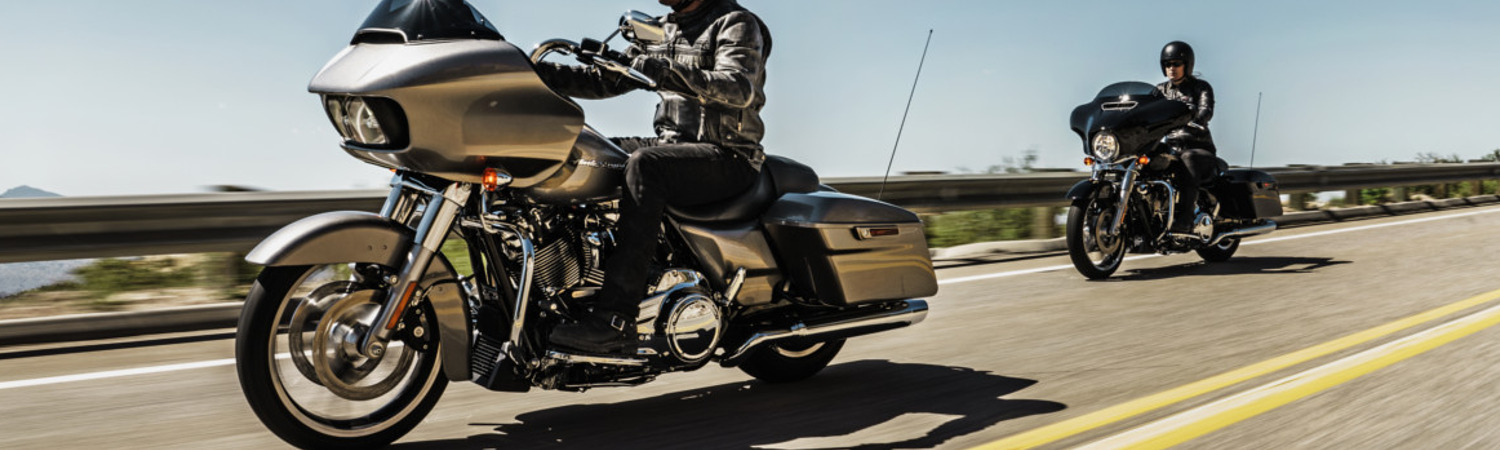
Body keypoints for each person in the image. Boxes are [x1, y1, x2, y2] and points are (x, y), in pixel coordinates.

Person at [534, 0, 771, 354]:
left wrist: (664, 70)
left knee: (646, 165)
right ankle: (557, 294)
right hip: (671, 145)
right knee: (581, 154)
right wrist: (529, 72)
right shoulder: (662, 28)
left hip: (728, 154)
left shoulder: (735, 22)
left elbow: (738, 87)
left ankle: (616, 319)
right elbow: (604, 81)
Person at [1155, 40, 1217, 234]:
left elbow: (1205, 110)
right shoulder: (1159, 91)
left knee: (1188, 158)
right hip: (1171, 148)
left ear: (1187, 65)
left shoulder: (1200, 87)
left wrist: (1198, 120)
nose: (1171, 68)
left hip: (1199, 149)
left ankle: (1185, 220)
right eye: (1167, 64)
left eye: (1176, 64)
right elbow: (1146, 112)